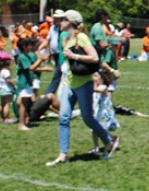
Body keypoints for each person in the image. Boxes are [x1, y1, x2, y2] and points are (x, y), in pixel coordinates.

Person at [46, 9, 118, 166]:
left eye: (63, 19)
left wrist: (74, 56)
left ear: (71, 22)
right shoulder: (68, 38)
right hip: (69, 82)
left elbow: (94, 58)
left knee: (88, 119)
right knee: (64, 118)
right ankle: (63, 154)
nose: (60, 21)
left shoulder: (81, 37)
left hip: (83, 83)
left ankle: (108, 141)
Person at [0, 52, 17, 124]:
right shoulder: (6, 71)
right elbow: (8, 80)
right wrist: (14, 86)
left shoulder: (0, 70)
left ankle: (2, 118)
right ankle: (7, 118)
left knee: (2, 104)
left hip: (1, 89)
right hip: (7, 90)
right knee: (7, 104)